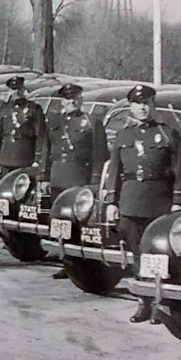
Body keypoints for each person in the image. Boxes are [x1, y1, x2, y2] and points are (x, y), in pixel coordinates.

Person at [103, 84, 181, 323]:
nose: (143, 108)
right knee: (137, 254)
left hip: (158, 202)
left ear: (154, 106)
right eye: (138, 104)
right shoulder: (123, 136)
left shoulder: (168, 134)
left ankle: (161, 304)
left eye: (147, 103)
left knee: (160, 254)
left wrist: (178, 202)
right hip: (131, 201)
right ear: (131, 106)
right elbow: (114, 172)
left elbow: (180, 171)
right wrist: (112, 201)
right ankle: (144, 302)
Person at [44, 83, 108, 279]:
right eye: (67, 99)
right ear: (62, 102)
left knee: (81, 223)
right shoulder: (54, 121)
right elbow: (46, 150)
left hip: (80, 178)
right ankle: (66, 261)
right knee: (61, 221)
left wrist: (95, 181)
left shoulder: (92, 122)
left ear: (81, 99)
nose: (71, 102)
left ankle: (85, 264)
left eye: (75, 98)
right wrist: (44, 176)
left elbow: (100, 154)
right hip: (58, 177)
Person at [0, 76, 46, 175]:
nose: (16, 92)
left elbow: (40, 136)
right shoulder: (4, 109)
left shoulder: (34, 109)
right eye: (13, 89)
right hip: (6, 157)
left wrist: (38, 159)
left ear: (23, 89)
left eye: (18, 88)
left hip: (25, 156)